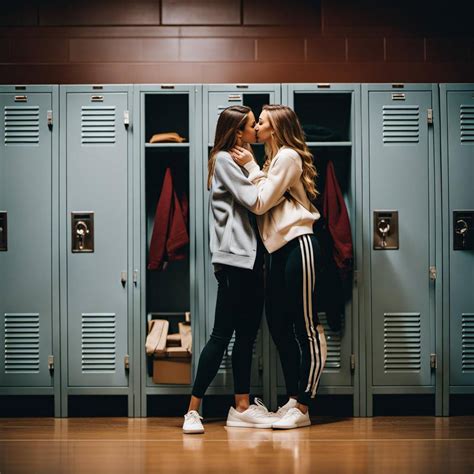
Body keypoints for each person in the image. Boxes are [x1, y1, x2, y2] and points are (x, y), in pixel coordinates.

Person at [183, 105, 280, 434]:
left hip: (252, 262)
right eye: (252, 125)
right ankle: (192, 410)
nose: (257, 130)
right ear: (238, 132)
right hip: (234, 262)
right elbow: (256, 200)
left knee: (247, 337)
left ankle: (241, 406)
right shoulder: (225, 160)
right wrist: (256, 169)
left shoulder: (236, 161)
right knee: (221, 335)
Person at [230, 104, 328, 430]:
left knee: (306, 328)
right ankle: (291, 398)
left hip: (299, 244)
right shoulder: (274, 160)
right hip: (277, 252)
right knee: (278, 326)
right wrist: (257, 168)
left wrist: (251, 167)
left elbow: (261, 201)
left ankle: (303, 405)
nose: (255, 126)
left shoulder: (287, 156)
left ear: (275, 128)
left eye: (261, 122)